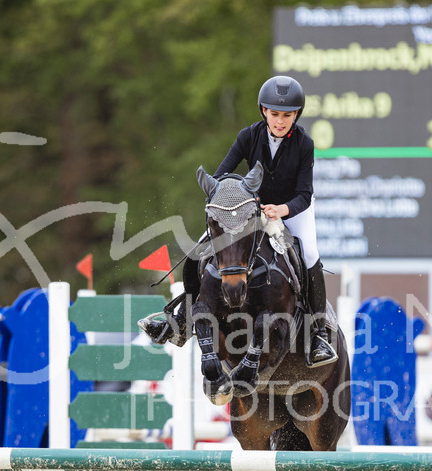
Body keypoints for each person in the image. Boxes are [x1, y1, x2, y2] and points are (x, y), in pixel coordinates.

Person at [139, 75, 337, 367]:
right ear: (263, 112)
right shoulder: (249, 136)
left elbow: (304, 194)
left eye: (287, 115)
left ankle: (318, 333)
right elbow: (220, 177)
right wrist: (233, 202)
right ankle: (183, 317)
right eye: (274, 114)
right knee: (199, 251)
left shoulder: (304, 144)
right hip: (249, 208)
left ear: (296, 115)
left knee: (309, 256)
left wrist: (281, 210)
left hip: (292, 209)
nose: (280, 121)